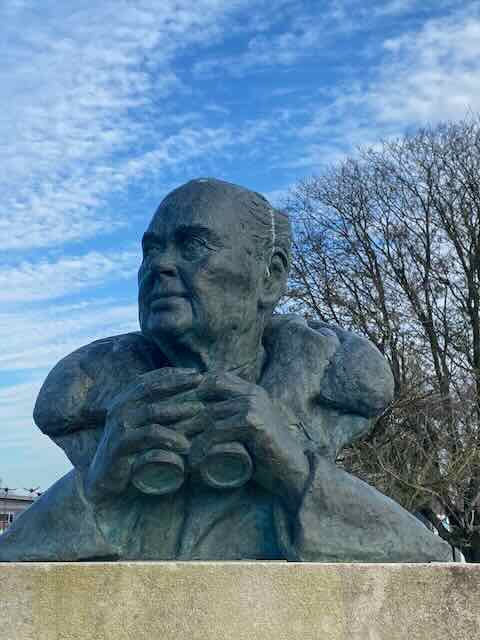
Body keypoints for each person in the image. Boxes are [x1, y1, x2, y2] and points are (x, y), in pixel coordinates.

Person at [0, 178, 455, 561]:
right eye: (150, 250)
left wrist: (295, 473)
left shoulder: (323, 400)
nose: (159, 266)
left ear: (270, 276)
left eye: (193, 245)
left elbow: (427, 559)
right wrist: (99, 484)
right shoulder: (104, 414)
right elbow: (11, 561)